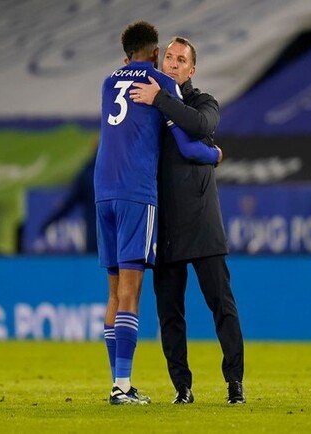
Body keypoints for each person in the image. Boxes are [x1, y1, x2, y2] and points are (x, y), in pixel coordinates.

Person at [95, 21, 221, 405]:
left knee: (114, 291)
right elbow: (186, 144)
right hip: (135, 192)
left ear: (125, 52)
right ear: (154, 54)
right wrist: (214, 154)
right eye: (163, 54)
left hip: (103, 190)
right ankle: (122, 387)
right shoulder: (161, 83)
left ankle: (117, 383)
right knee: (132, 290)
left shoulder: (107, 82)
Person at [129, 37, 245, 404]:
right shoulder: (147, 110)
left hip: (202, 220)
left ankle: (234, 384)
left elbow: (197, 125)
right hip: (163, 224)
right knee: (170, 313)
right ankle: (182, 387)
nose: (173, 63)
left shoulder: (202, 102)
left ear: (192, 70)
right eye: (169, 57)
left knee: (221, 304)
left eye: (181, 60)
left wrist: (162, 99)